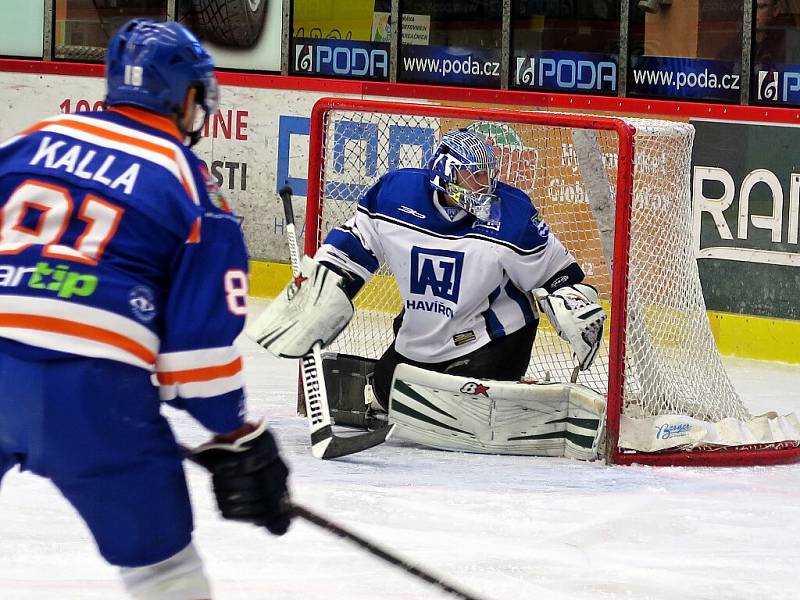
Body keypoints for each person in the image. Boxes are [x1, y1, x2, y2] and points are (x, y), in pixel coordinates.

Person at [0, 19, 290, 600]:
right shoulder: (192, 186)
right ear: (186, 97)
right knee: (163, 571)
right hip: (91, 392)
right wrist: (236, 436)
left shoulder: (28, 142)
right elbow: (196, 362)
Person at [256, 128, 605, 417]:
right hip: (422, 338)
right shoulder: (394, 195)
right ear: (447, 173)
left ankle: (503, 389)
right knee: (384, 387)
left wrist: (573, 301)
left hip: (494, 342)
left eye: (488, 175)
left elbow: (561, 274)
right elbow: (352, 248)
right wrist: (321, 288)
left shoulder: (511, 215)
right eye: (475, 175)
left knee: (464, 403)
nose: (485, 185)